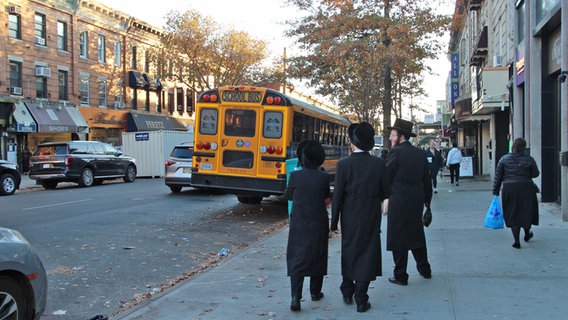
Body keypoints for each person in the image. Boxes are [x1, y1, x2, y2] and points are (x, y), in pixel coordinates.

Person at [331, 122, 390, 313]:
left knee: (350, 249)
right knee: (368, 252)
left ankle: (347, 289)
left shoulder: (343, 164)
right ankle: (361, 297)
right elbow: (385, 191)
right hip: (371, 213)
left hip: (350, 215)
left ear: (352, 143)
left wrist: (334, 222)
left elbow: (338, 195)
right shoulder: (379, 164)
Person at [385, 118, 433, 286]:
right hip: (416, 201)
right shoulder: (420, 154)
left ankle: (400, 274)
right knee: (416, 233)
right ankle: (424, 268)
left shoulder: (396, 153)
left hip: (398, 200)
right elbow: (427, 180)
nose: (390, 138)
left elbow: (386, 176)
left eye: (392, 135)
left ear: (401, 136)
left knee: (398, 236)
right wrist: (427, 200)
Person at [284, 140, 330, 311]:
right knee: (317, 256)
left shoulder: (295, 176)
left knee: (297, 258)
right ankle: (315, 292)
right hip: (318, 221)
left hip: (299, 222)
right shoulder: (324, 177)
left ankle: (296, 297)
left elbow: (287, 196)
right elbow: (326, 200)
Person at [492, 137, 540, 249]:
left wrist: (495, 191)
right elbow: (535, 173)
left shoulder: (504, 159)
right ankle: (527, 233)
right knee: (526, 211)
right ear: (524, 147)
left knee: (512, 212)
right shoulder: (529, 159)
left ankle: (516, 241)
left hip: (509, 188)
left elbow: (498, 177)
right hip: (526, 189)